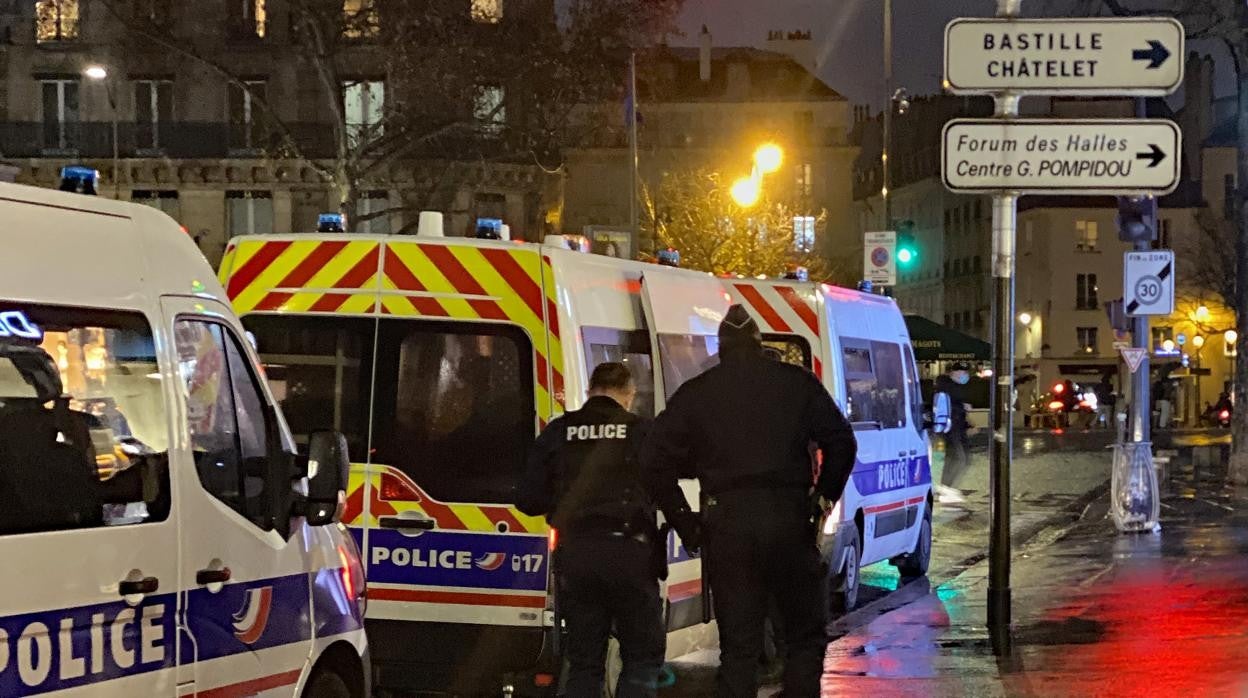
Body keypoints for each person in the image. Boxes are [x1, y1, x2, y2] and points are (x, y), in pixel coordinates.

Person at [642, 305, 857, 698]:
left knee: (739, 646)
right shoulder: (796, 383)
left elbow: (653, 461)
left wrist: (686, 522)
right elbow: (842, 441)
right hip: (789, 519)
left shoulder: (697, 392)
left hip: (727, 524)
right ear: (759, 345)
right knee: (803, 636)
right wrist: (822, 499)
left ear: (721, 348)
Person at [516, 362, 664, 698]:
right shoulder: (642, 431)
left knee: (584, 662)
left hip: (577, 556)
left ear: (590, 391)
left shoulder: (559, 431)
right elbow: (664, 485)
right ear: (629, 394)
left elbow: (527, 499)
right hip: (630, 555)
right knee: (642, 657)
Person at [933, 361, 973, 504]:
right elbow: (952, 409)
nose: (965, 375)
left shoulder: (957, 388)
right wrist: (962, 406)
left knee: (962, 458)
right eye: (962, 372)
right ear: (954, 372)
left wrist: (968, 425)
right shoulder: (946, 386)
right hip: (950, 429)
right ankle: (946, 489)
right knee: (959, 458)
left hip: (958, 429)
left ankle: (947, 488)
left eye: (966, 372)